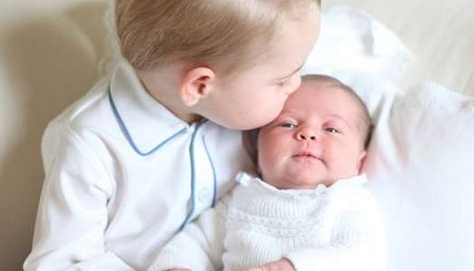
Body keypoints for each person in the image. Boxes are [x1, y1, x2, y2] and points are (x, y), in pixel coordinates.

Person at [23, 0, 322, 270]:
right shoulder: (92, 144)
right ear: (200, 85)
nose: (296, 85)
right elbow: (59, 263)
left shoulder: (243, 102)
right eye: (282, 79)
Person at [150, 75, 387, 271]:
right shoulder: (241, 198)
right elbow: (198, 241)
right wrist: (180, 265)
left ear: (359, 162)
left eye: (332, 129)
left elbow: (363, 255)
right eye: (288, 124)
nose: (308, 134)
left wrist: (292, 266)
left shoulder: (349, 202)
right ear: (257, 148)